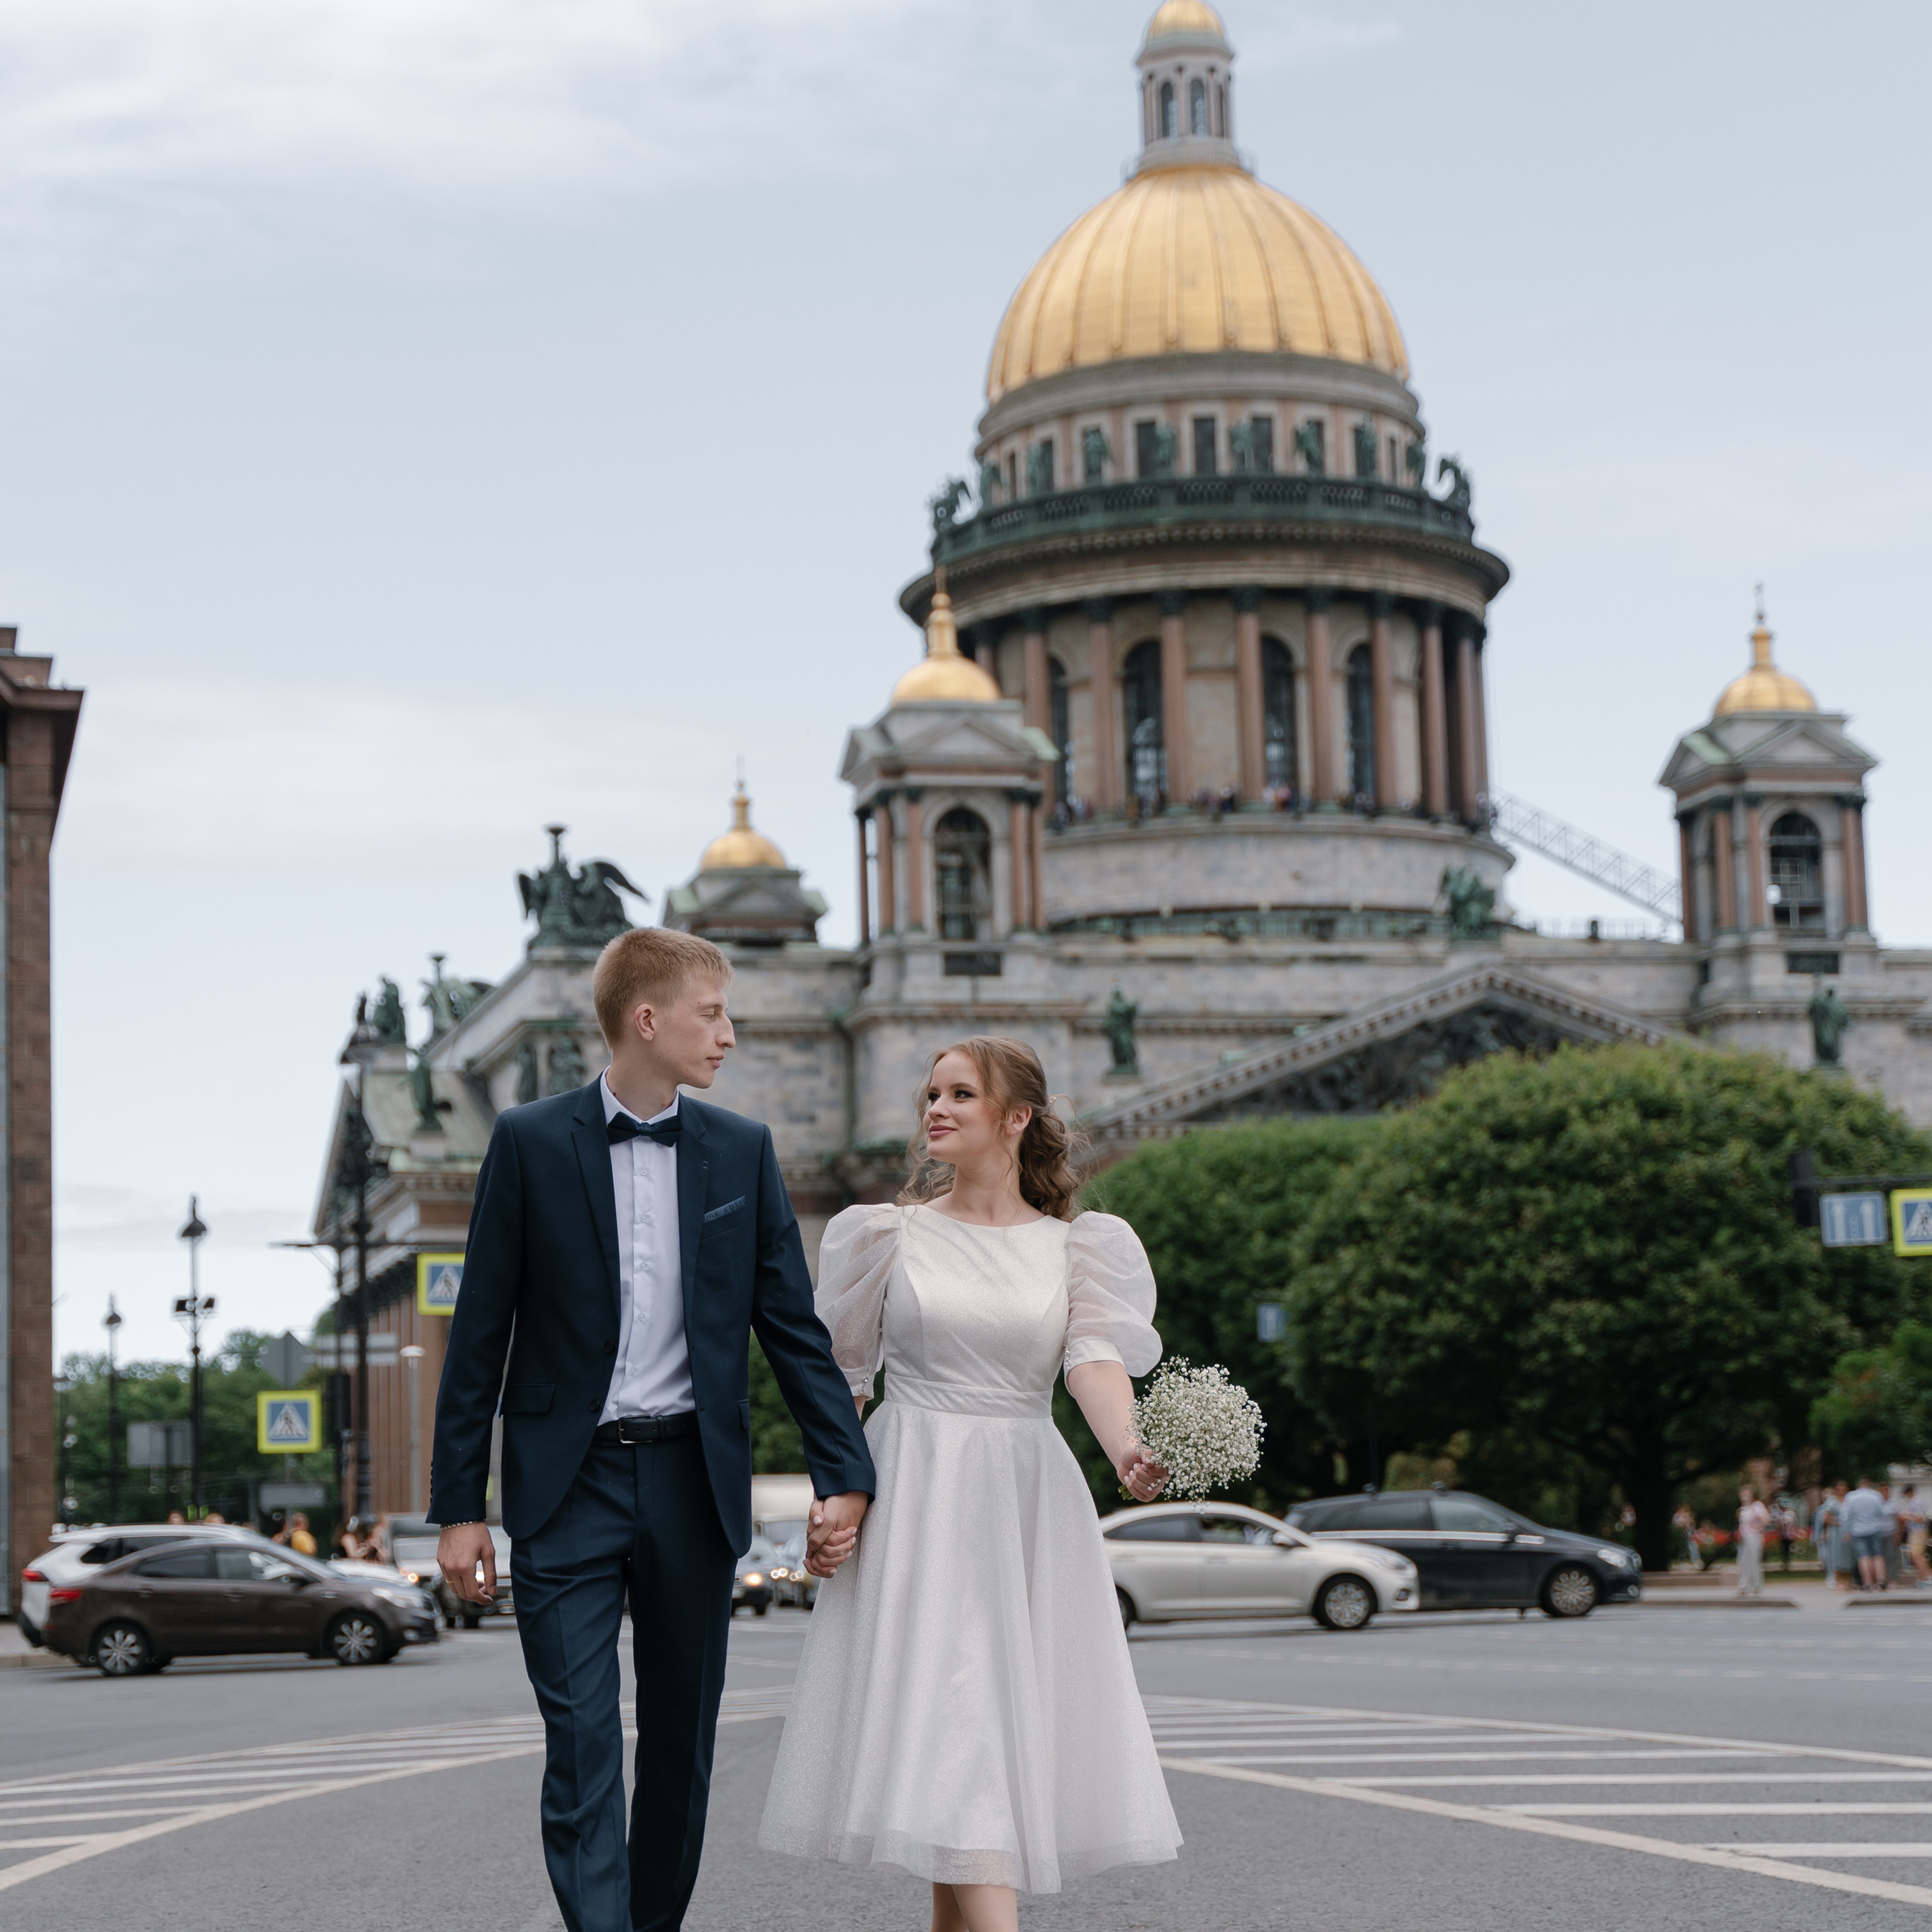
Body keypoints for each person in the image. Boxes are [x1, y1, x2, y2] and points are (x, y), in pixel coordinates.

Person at [431, 926, 873, 1932]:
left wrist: (842, 1471)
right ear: (646, 1018)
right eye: (711, 1014)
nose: (729, 1034)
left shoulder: (742, 1149)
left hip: (692, 1483)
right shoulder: (529, 1141)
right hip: (565, 1486)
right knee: (582, 1742)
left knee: (679, 1748)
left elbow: (791, 1329)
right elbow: (479, 1333)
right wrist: (459, 1507)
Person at [759, 1035, 1183, 1932]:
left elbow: (1093, 1362)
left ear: (1016, 1116)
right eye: (931, 1094)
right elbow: (842, 1382)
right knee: (959, 1735)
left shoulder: (1078, 1248)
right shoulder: (885, 1236)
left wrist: (1127, 1447)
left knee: (975, 1739)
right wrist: (834, 1494)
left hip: (1021, 1500)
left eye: (959, 1094)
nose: (936, 1109)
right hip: (915, 1491)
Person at [1844, 1475, 1890, 1591]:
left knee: (1863, 1556)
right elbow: (1882, 1512)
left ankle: (1868, 1583)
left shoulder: (1851, 1496)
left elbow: (1845, 1516)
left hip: (1857, 1530)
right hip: (1874, 1528)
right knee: (1877, 1555)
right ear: (1869, 1484)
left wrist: (1846, 1531)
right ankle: (1881, 1581)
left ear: (1858, 1485)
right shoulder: (1876, 1495)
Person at [1814, 1482, 1850, 1589]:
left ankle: (1847, 1579)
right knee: (1834, 1555)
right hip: (1835, 1532)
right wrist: (1839, 1523)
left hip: (1847, 1532)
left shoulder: (1849, 1500)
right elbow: (1825, 1520)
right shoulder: (1831, 1502)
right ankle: (1833, 1577)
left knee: (1847, 1555)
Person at [1735, 1486, 1768, 1597]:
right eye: (1742, 1494)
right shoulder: (1744, 1509)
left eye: (1746, 1494)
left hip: (1753, 1536)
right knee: (1744, 1561)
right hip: (1744, 1538)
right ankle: (1744, 1586)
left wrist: (1758, 1527)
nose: (1743, 1496)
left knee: (1754, 1561)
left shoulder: (1756, 1506)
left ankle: (1756, 1586)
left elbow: (1765, 1518)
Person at [1900, 1484, 1930, 1586]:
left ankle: (1926, 1576)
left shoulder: (1916, 1502)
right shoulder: (1916, 1501)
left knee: (1916, 1555)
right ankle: (1922, 1577)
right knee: (1916, 1555)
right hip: (1916, 1531)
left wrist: (1906, 1517)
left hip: (1918, 1531)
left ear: (1910, 1493)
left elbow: (1920, 1518)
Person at [1672, 1503, 1698, 1570]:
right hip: (1682, 1534)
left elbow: (1691, 1524)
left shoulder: (1688, 1516)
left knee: (1692, 1547)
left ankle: (1695, 1560)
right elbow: (1678, 1524)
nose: (1686, 1511)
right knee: (1684, 1548)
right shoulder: (1677, 1516)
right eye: (1685, 1510)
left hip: (1689, 1534)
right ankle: (1682, 1560)